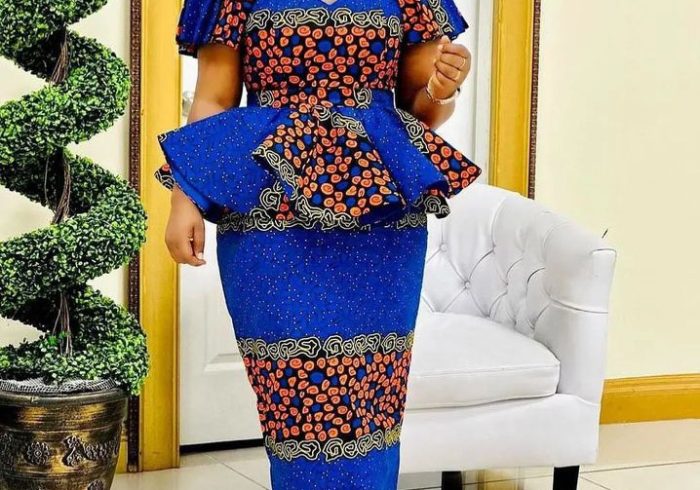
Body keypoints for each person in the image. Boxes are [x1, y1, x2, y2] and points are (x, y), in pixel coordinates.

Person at [155, 1, 482, 488]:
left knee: (370, 403)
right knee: (295, 401)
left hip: (379, 220)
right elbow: (213, 101)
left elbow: (421, 110)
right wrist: (184, 198)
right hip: (270, 213)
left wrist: (443, 87)